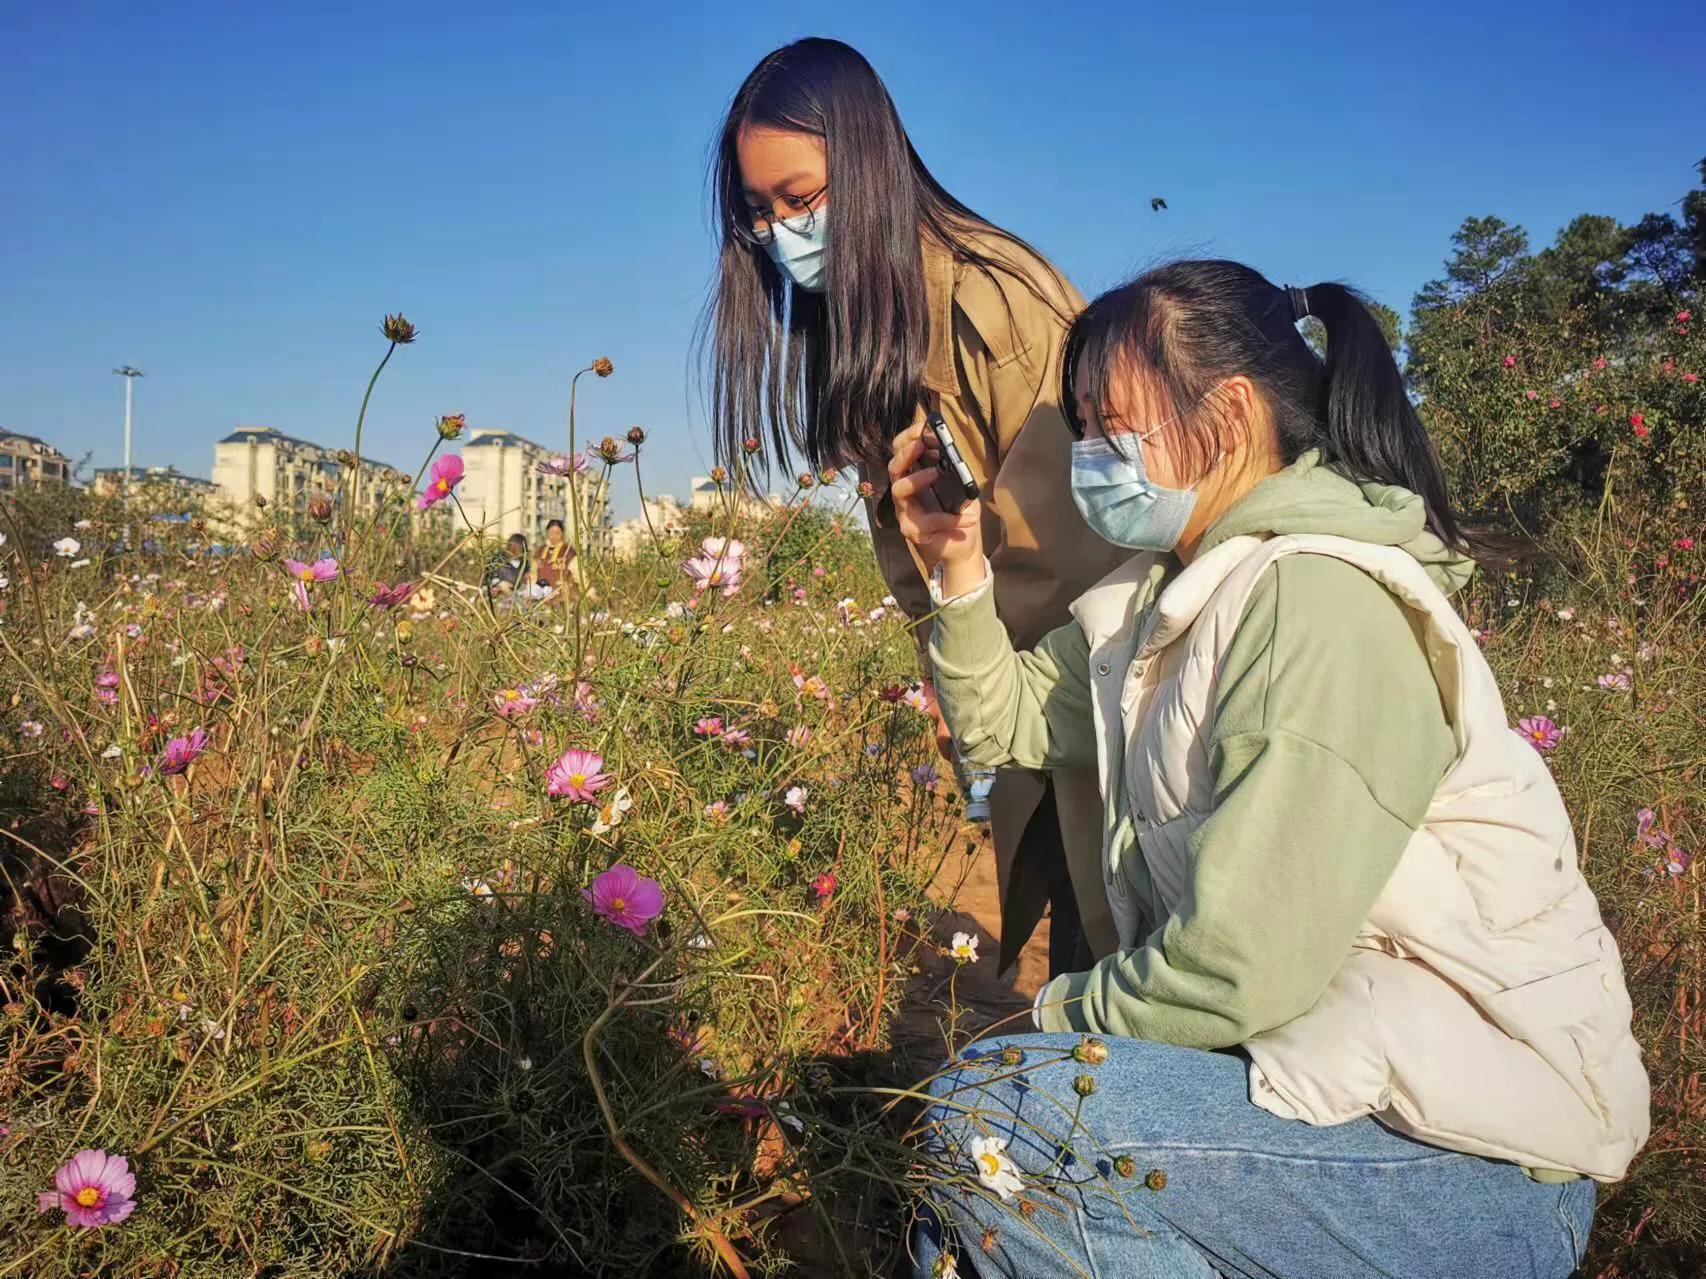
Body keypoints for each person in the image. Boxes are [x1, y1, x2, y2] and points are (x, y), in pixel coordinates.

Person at [890, 260, 1649, 1278]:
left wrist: (1048, 1019)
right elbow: (1008, 728)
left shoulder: (1313, 602)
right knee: (975, 1201)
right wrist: (956, 564)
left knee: (1001, 1121)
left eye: (1109, 422)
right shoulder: (1154, 603)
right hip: (1332, 1091)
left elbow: (1236, 966)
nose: (1087, 454)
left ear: (1231, 413)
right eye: (1080, 426)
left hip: (1473, 1160)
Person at [705, 37, 1128, 975]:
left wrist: (981, 674)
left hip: (1098, 716)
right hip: (1023, 719)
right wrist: (949, 663)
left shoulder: (993, 302)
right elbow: (928, 553)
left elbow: (1101, 566)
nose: (782, 233)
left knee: (1120, 974)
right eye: (759, 212)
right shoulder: (870, 329)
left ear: (868, 165)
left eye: (803, 199)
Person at [484, 533, 530, 602]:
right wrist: (500, 584)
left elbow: (524, 581)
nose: (517, 553)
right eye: (515, 549)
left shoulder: (525, 564)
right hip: (498, 593)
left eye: (520, 550)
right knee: (503, 586)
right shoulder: (498, 559)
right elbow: (490, 576)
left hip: (517, 593)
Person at [536, 519, 575, 593]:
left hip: (561, 595)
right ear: (547, 533)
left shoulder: (569, 552)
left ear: (562, 534)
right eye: (551, 533)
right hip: (541, 595)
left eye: (557, 533)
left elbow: (579, 575)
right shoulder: (539, 552)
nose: (554, 536)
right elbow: (533, 574)